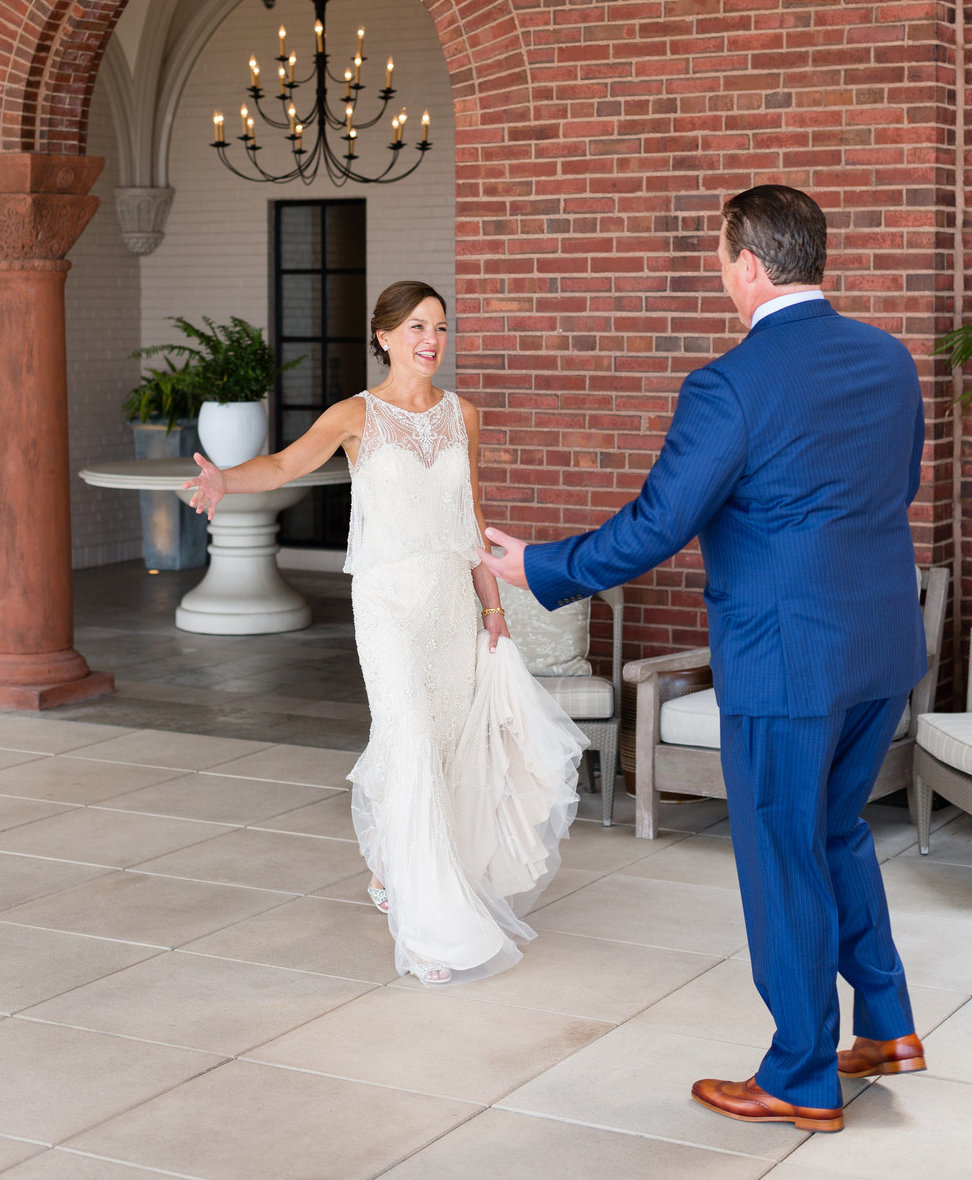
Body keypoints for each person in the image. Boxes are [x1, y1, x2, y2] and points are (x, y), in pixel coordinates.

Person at [481, 185, 928, 1132]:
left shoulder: (730, 383)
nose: (721, 276)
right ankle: (886, 1026)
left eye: (722, 260)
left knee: (780, 854)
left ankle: (801, 1074)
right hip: (882, 648)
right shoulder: (890, 361)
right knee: (836, 830)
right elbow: (894, 486)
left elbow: (657, 526)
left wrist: (535, 566)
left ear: (753, 267)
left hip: (785, 661)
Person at [186, 279, 585, 987]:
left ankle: (392, 869)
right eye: (416, 328)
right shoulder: (354, 416)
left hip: (451, 607)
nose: (430, 341)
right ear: (384, 336)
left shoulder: (464, 414)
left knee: (444, 742)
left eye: (439, 328)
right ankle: (434, 928)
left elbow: (473, 522)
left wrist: (494, 612)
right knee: (409, 741)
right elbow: (283, 465)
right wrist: (226, 481)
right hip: (389, 607)